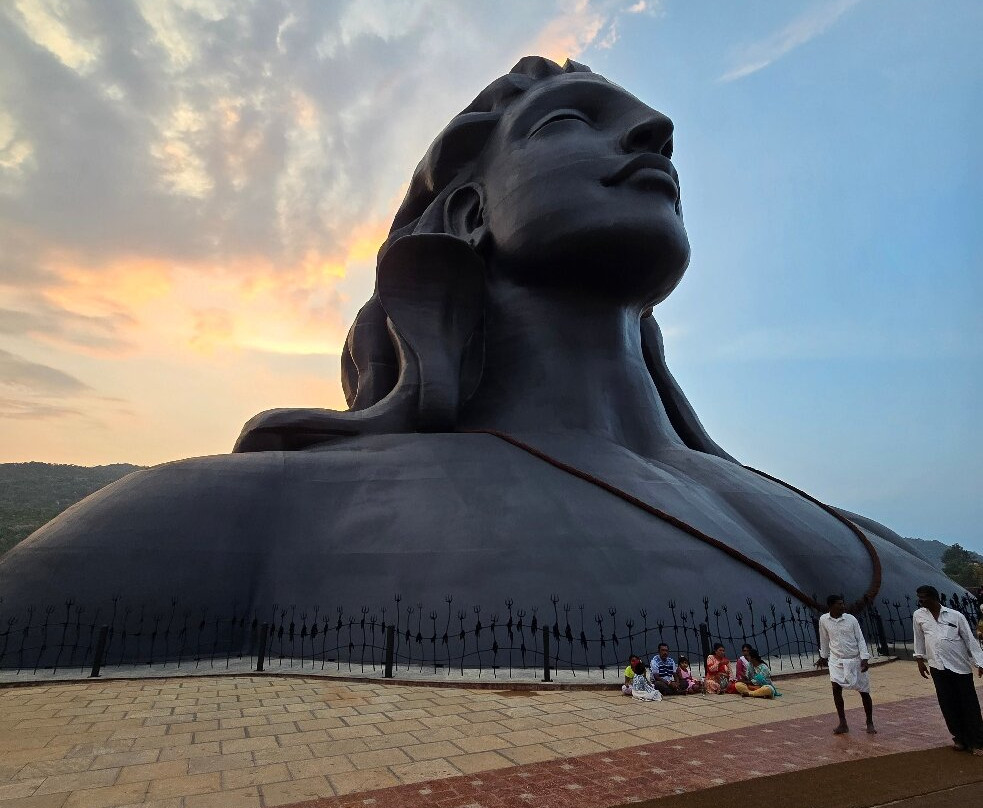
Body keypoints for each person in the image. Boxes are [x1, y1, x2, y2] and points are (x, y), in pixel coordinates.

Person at [0, 57, 965, 660]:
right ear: (469, 213)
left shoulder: (847, 531)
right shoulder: (230, 514)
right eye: (570, 120)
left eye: (643, 123)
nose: (654, 134)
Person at [912, 585, 983, 755]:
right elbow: (919, 638)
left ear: (934, 597)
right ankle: (959, 738)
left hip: (959, 667)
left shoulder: (955, 616)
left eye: (923, 597)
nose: (920, 601)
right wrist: (919, 659)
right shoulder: (919, 615)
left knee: (969, 705)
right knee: (948, 704)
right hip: (937, 667)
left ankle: (977, 742)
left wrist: (980, 663)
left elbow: (969, 640)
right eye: (919, 597)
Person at [816, 594, 876, 734]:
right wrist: (823, 656)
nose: (843, 606)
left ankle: (869, 722)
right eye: (839, 604)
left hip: (854, 659)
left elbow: (860, 639)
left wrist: (864, 658)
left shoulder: (851, 619)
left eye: (843, 603)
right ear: (831, 606)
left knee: (864, 691)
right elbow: (824, 639)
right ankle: (842, 723)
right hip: (836, 661)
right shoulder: (824, 620)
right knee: (836, 689)